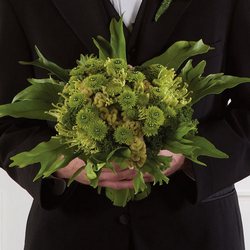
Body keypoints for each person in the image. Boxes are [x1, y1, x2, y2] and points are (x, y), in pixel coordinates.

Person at [0, 0, 249, 249]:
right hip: (70, 232)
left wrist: (188, 157)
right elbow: (6, 119)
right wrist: (59, 165)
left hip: (198, 231)